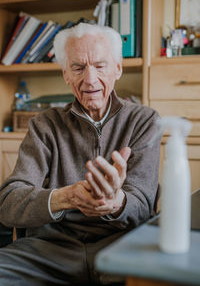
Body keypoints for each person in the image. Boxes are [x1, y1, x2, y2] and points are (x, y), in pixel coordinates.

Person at [0, 23, 161, 285]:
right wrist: (65, 197)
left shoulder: (143, 120)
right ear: (65, 74)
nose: (90, 79)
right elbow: (8, 203)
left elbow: (142, 206)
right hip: (48, 252)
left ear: (117, 69)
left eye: (100, 66)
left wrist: (116, 201)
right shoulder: (44, 125)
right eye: (78, 68)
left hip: (119, 248)